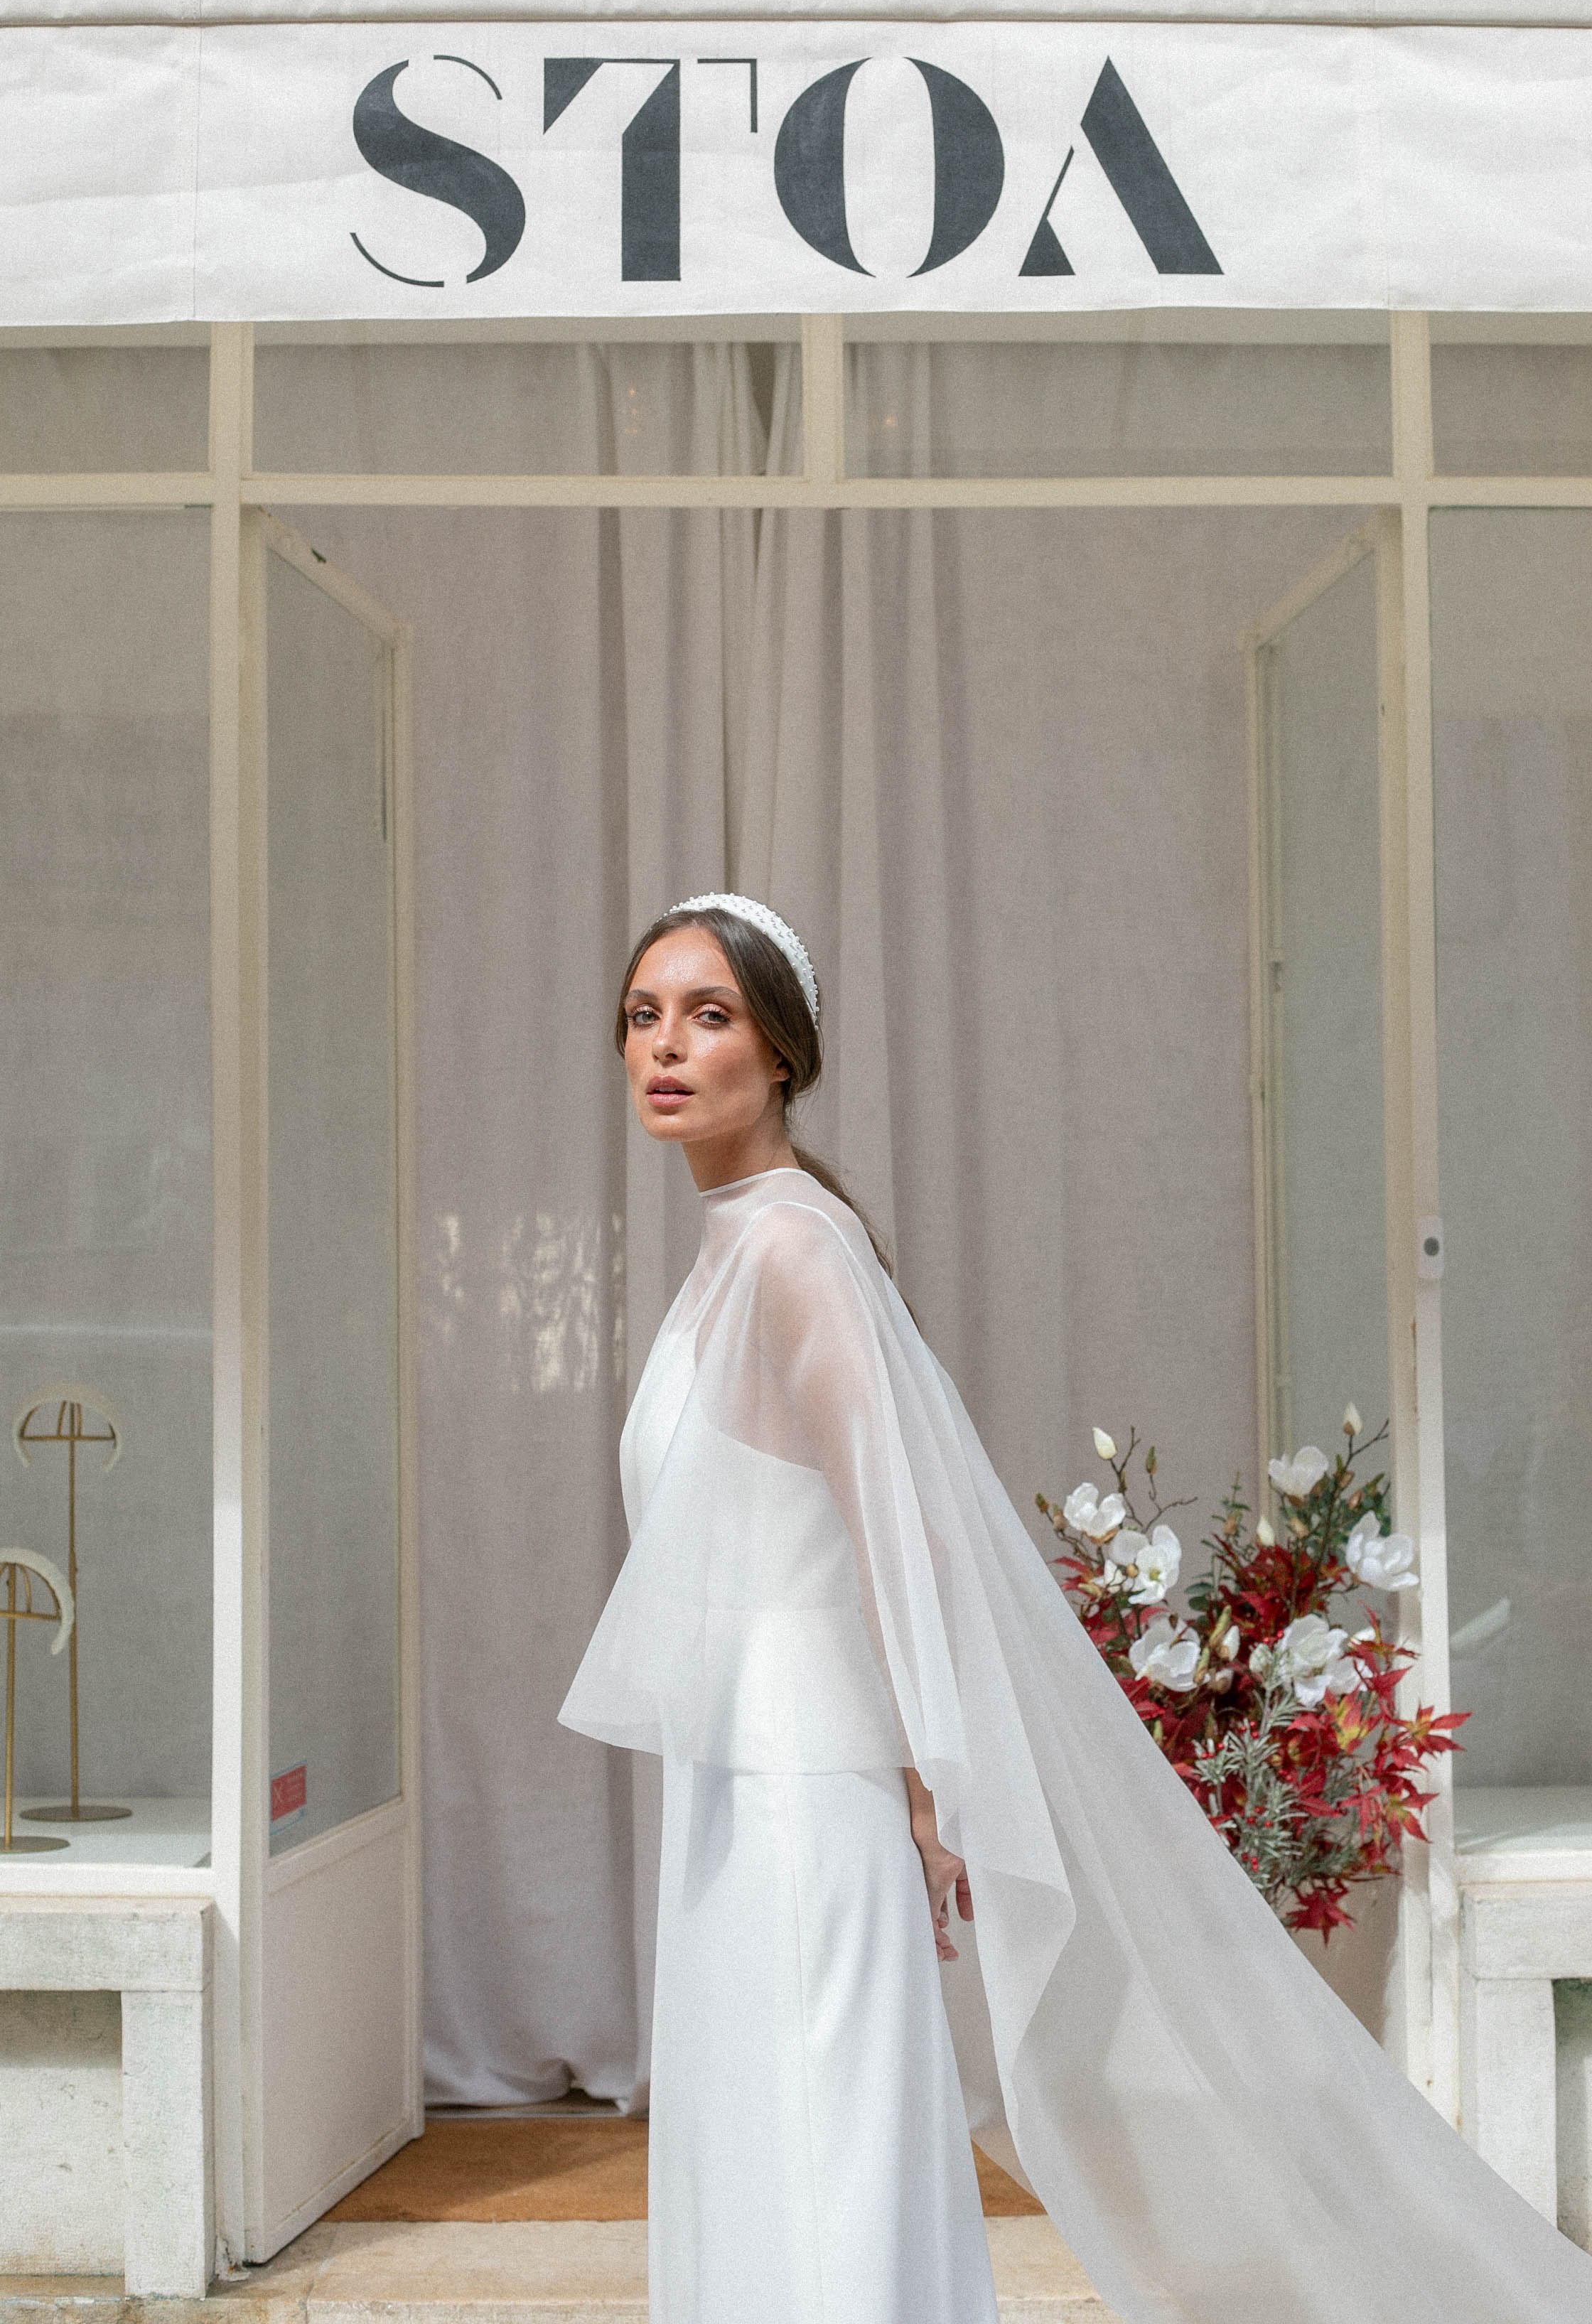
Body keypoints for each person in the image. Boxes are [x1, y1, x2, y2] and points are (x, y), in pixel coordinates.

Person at [560, 893, 1592, 2324]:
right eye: (643, 1017)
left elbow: (905, 1528)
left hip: (806, 1795)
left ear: (781, 1054)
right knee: (766, 2145)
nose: (666, 1047)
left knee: (813, 2151)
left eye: (708, 1015)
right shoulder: (736, 1244)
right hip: (734, 1783)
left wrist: (931, 1783)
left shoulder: (795, 1252)